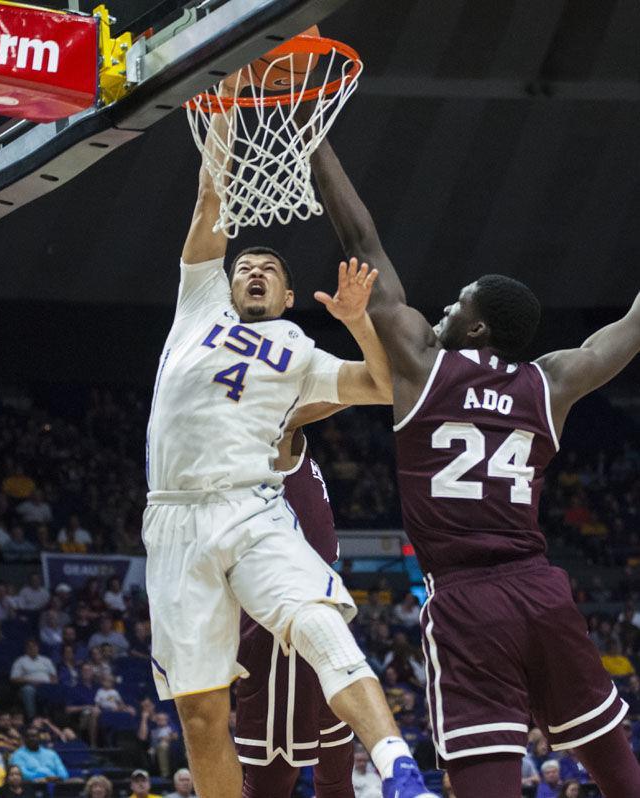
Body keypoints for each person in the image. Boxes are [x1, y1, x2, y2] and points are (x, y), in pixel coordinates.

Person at [308, 130, 640, 797]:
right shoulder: (553, 382)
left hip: (468, 602)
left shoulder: (423, 364)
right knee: (621, 776)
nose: (446, 307)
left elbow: (363, 245)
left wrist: (314, 140)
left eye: (459, 302)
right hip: (543, 593)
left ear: (478, 328)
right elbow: (631, 327)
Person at [142, 72, 436, 798]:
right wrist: (224, 110)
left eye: (269, 268)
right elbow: (212, 202)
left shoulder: (301, 353)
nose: (254, 270)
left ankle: (399, 773)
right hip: (175, 516)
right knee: (204, 715)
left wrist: (360, 324)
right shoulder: (196, 305)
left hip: (252, 505)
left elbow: (381, 386)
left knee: (317, 618)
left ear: (288, 296)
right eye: (246, 265)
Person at [234, 414, 354, 798]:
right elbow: (292, 411)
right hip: (281, 625)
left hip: (323, 615)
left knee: (338, 768)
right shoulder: (276, 454)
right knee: (273, 778)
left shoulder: (303, 462)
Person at [9, 640, 57, 720]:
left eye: (35, 647)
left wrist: (52, 684)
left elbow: (54, 676)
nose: (33, 649)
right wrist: (31, 681)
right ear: (26, 649)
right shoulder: (20, 661)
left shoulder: (46, 660)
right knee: (27, 690)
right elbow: (14, 678)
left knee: (57, 689)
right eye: (30, 647)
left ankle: (52, 717)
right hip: (30, 686)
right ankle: (32, 718)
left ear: (38, 648)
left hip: (47, 685)